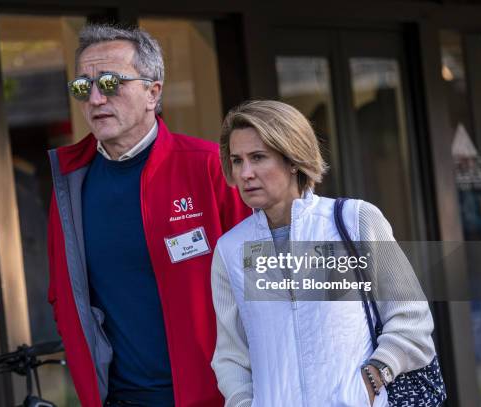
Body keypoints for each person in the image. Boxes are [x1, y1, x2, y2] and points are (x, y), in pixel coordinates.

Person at [47, 24, 250, 407]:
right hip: (121, 400)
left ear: (152, 92)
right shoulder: (70, 185)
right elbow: (63, 295)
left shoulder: (210, 167)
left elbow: (264, 282)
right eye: (82, 87)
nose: (94, 98)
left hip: (221, 396)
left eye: (109, 83)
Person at [211, 100, 437, 406]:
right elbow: (231, 356)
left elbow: (412, 320)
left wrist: (371, 380)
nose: (246, 173)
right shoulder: (231, 251)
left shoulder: (354, 221)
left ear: (292, 160)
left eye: (258, 157)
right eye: (237, 161)